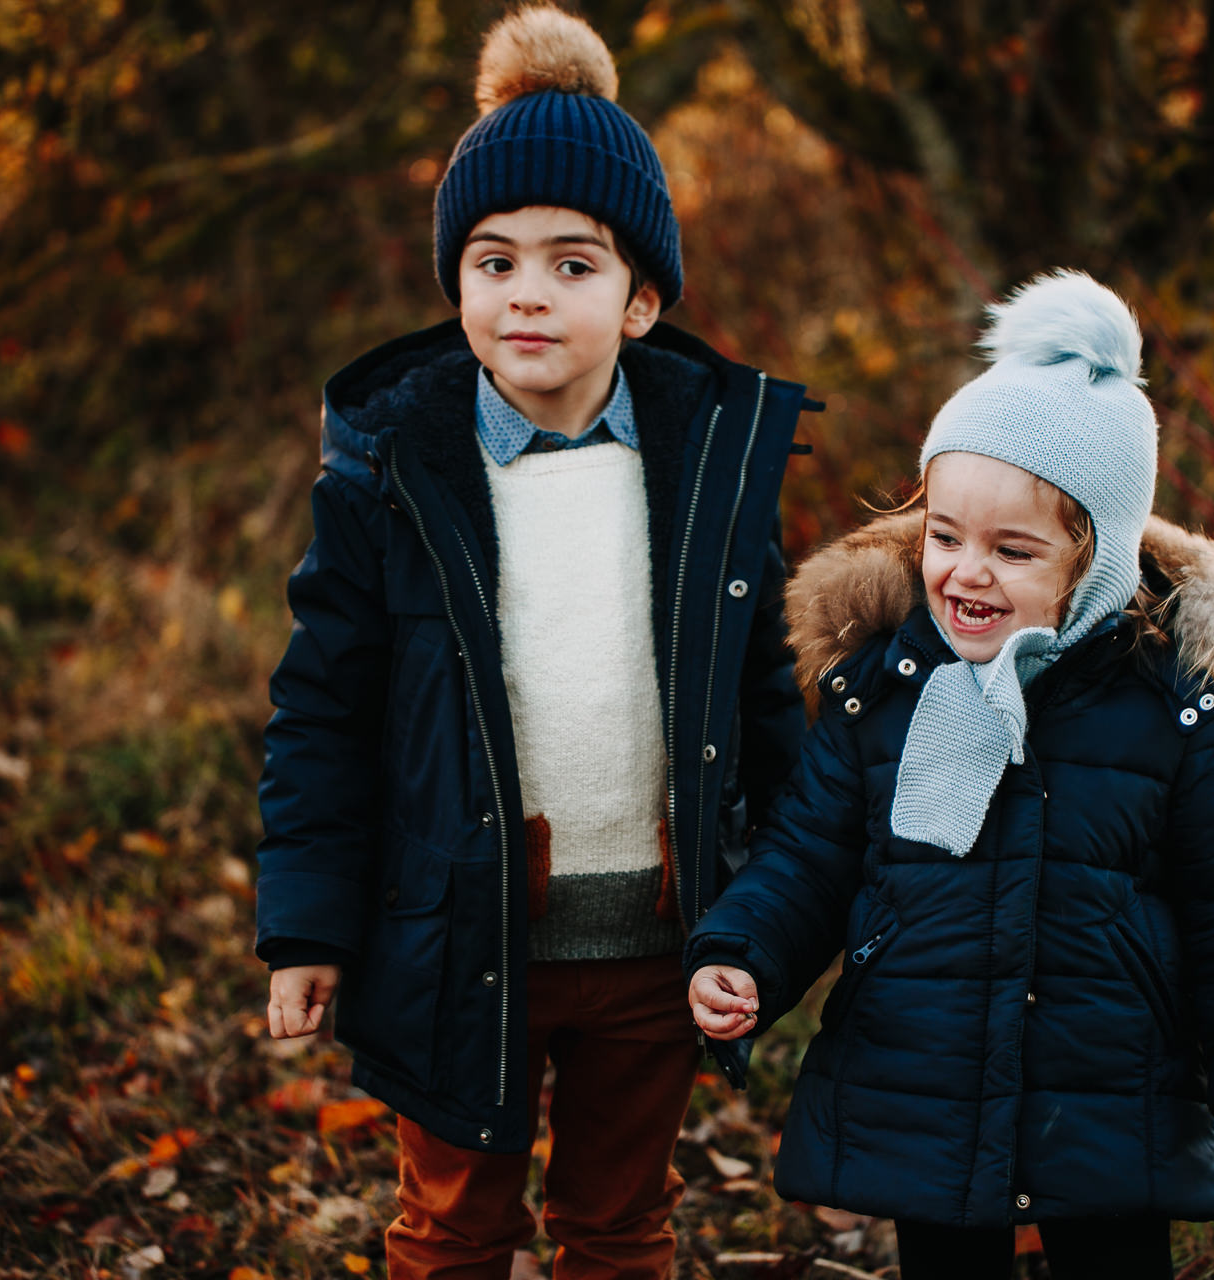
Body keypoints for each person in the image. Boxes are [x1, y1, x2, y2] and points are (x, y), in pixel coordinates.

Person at [253, 7, 810, 1277]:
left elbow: (765, 701)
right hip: (459, 935)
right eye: (494, 261)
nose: (528, 295)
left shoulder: (710, 471)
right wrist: (304, 927)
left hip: (659, 941)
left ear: (644, 298)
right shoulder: (393, 475)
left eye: (574, 263)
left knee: (619, 1223)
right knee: (453, 1224)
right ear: (456, 286)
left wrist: (779, 913)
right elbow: (324, 710)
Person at [684, 270, 1214, 1280]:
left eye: (1012, 549)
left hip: (1104, 1084)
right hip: (924, 1075)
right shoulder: (880, 693)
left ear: (1094, 563)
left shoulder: (1174, 712)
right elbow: (808, 857)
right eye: (944, 534)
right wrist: (743, 954)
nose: (964, 570)